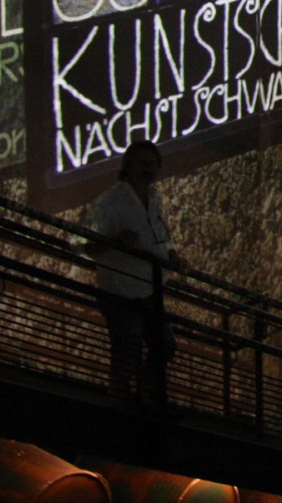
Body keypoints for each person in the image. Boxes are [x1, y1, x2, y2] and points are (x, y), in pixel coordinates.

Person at [87, 142, 182, 406]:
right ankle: (121, 403)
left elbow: (160, 234)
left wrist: (172, 254)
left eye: (152, 164)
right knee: (126, 353)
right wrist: (114, 242)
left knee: (164, 346)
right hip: (120, 292)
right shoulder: (108, 203)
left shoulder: (154, 198)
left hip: (149, 289)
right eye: (142, 163)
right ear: (127, 166)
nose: (147, 169)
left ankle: (144, 394)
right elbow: (83, 245)